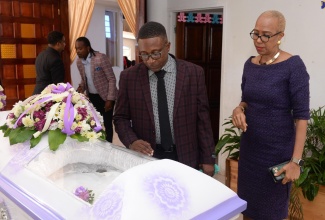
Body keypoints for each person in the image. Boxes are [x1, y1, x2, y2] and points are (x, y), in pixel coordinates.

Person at [232, 10, 310, 219]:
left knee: (272, 213)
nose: (259, 40)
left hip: (277, 157)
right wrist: (239, 109)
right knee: (247, 211)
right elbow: (247, 99)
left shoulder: (293, 66)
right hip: (250, 154)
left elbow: (302, 117)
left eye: (266, 35)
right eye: (256, 33)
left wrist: (296, 162)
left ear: (280, 36)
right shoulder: (250, 65)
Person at [113, 21, 215, 176]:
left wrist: (208, 157)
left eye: (155, 53)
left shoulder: (193, 73)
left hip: (186, 154)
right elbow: (120, 117)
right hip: (147, 156)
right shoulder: (129, 77)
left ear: (168, 46)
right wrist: (131, 141)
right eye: (144, 54)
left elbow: (203, 119)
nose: (150, 60)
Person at [75, 37, 117, 142]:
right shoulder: (79, 62)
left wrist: (110, 99)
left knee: (107, 124)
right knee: (94, 123)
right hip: (92, 97)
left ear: (88, 48)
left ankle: (108, 146)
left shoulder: (100, 58)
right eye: (76, 49)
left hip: (105, 97)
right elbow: (84, 80)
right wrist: (80, 87)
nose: (78, 51)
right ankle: (97, 144)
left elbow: (111, 79)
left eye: (80, 48)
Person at [33, 31, 66, 95]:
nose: (65, 44)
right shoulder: (56, 59)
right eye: (63, 42)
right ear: (58, 44)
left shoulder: (40, 55)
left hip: (37, 93)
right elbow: (58, 84)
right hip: (49, 96)